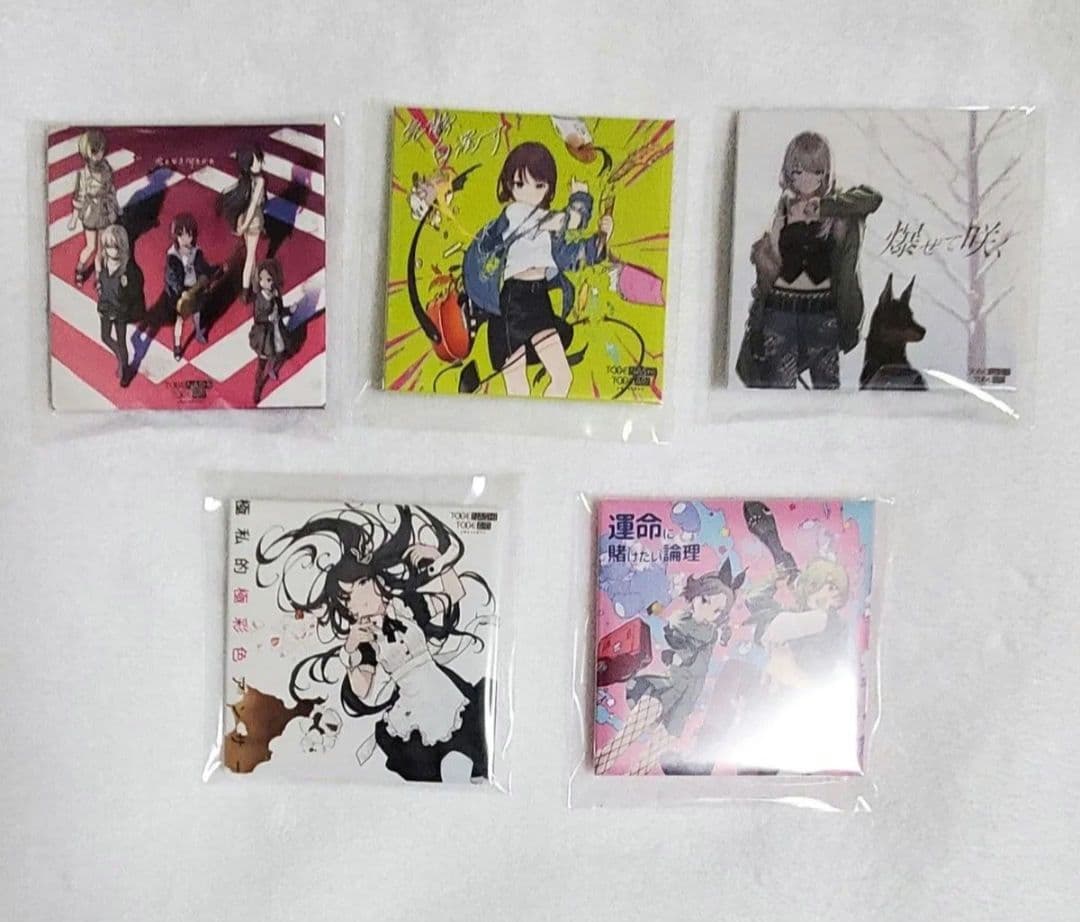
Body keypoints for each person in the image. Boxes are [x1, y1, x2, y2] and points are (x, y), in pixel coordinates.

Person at [463, 142, 613, 397]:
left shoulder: (548, 229)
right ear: (509, 185)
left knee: (562, 378)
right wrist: (580, 199)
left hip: (538, 301)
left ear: (548, 188)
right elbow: (571, 220)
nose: (530, 192)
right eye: (520, 184)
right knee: (518, 388)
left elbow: (571, 256)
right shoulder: (515, 213)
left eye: (539, 185)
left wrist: (602, 238)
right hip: (513, 303)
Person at [736, 131, 881, 389]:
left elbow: (872, 199)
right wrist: (756, 324)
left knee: (827, 391)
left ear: (825, 174)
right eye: (798, 171)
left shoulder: (838, 207)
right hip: (780, 313)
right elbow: (767, 275)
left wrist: (823, 207)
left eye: (816, 172)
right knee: (778, 390)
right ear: (789, 173)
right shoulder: (782, 208)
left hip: (822, 315)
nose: (806, 179)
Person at [68, 129, 120, 286]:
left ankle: (98, 277)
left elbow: (111, 189)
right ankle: (79, 269)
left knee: (101, 249)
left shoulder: (106, 168)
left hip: (104, 210)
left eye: (101, 150)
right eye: (95, 151)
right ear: (87, 152)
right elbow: (79, 197)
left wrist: (116, 206)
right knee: (90, 247)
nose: (99, 154)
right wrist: (74, 218)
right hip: (90, 212)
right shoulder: (83, 174)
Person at [94, 224, 143, 388]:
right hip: (105, 307)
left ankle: (125, 369)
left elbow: (135, 292)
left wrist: (126, 287)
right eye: (108, 246)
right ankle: (121, 358)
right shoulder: (105, 262)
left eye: (115, 247)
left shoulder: (128, 269)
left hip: (120, 311)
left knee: (121, 341)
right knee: (105, 336)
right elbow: (102, 283)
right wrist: (100, 288)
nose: (111, 251)